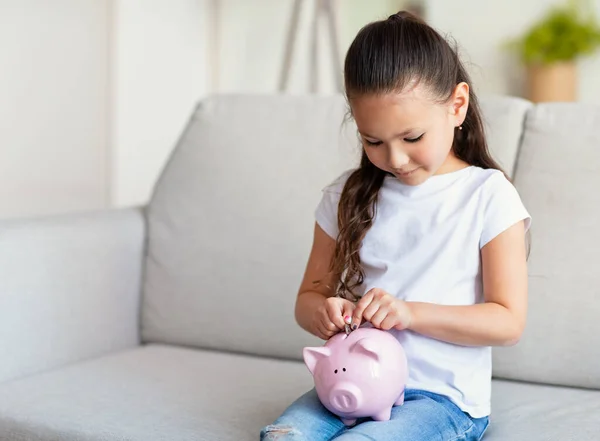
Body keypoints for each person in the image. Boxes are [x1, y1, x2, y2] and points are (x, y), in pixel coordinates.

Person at [261, 10, 531, 441]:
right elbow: (307, 300)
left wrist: (409, 314)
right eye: (373, 142)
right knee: (283, 437)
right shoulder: (345, 197)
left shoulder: (487, 196)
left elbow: (507, 322)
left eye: (412, 138)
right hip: (352, 383)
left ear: (456, 105)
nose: (395, 159)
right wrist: (326, 312)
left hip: (443, 399)